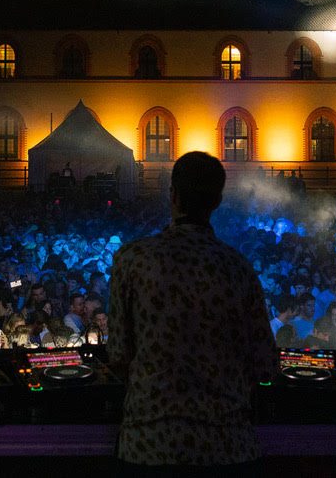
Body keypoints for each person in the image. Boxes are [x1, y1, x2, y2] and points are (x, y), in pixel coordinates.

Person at [109, 151, 276, 473]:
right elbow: (265, 362)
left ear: (173, 194)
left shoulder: (132, 259)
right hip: (227, 446)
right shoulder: (237, 267)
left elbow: (118, 354)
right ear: (217, 201)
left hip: (149, 445)